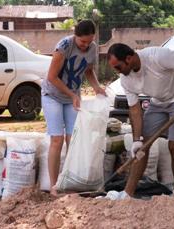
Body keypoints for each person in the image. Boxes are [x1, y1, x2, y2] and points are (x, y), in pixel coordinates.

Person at [107, 43, 174, 198]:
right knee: (141, 148)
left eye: (118, 67)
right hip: (158, 102)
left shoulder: (157, 57)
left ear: (129, 58)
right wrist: (137, 139)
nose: (117, 71)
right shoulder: (126, 80)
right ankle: (127, 194)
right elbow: (135, 110)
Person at [41, 19, 106, 196]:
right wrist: (72, 94)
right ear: (75, 36)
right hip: (53, 96)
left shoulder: (92, 48)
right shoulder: (64, 46)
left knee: (74, 140)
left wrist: (97, 87)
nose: (85, 45)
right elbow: (52, 77)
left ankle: (70, 181)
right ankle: (54, 186)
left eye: (89, 41)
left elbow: (88, 70)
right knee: (57, 140)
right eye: (82, 41)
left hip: (72, 98)